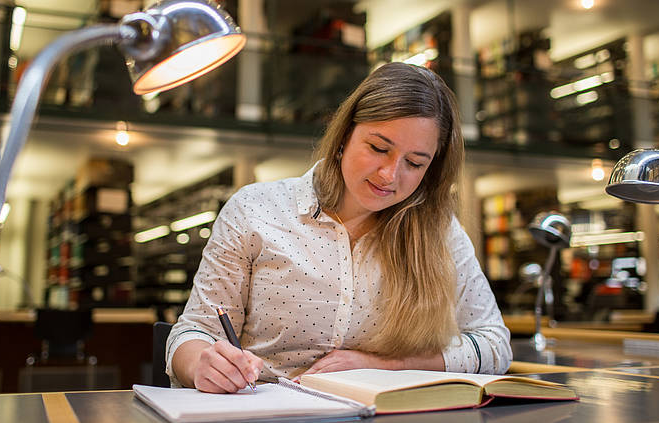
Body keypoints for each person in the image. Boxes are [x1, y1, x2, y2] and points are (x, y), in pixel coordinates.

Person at [166, 62, 512, 393]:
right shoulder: (255, 210)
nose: (390, 175)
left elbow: (495, 345)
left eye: (414, 162)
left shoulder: (441, 232)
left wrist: (382, 366)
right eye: (378, 148)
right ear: (345, 133)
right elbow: (196, 330)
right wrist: (202, 365)